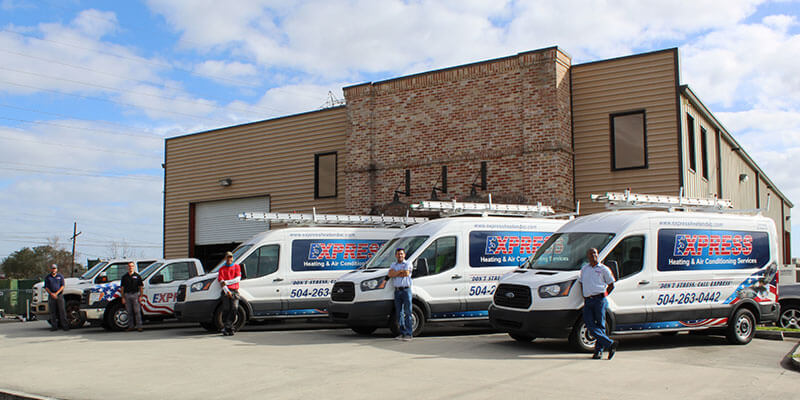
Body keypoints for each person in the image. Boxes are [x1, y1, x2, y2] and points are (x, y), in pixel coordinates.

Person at [578, 248, 617, 360]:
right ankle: (610, 344)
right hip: (588, 300)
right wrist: (584, 295)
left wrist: (603, 296)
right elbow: (581, 282)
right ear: (587, 256)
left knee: (600, 325)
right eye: (590, 254)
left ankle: (598, 352)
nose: (593, 255)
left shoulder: (604, 269)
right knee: (589, 325)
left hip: (599, 300)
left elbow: (611, 284)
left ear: (598, 255)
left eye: (595, 253)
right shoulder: (584, 269)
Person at [387, 248, 413, 341]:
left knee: (408, 312)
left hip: (406, 290)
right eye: (398, 254)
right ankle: (402, 333)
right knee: (399, 313)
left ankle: (409, 334)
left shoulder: (408, 263)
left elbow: (406, 273)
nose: (400, 255)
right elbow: (390, 274)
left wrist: (396, 273)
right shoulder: (393, 264)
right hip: (397, 291)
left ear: (404, 255)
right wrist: (400, 272)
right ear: (395, 255)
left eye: (401, 254)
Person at [218, 251, 242, 336]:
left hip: (234, 291)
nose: (229, 259)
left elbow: (237, 279)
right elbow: (221, 282)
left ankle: (227, 326)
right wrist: (227, 291)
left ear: (233, 258)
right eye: (228, 257)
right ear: (225, 258)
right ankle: (229, 328)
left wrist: (227, 282)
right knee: (226, 309)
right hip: (226, 291)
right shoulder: (221, 269)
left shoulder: (237, 267)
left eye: (231, 257)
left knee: (234, 308)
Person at [120, 261, 144, 332]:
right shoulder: (124, 277)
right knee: (129, 312)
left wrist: (141, 296)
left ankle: (139, 326)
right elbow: (122, 288)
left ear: (134, 267)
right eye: (129, 266)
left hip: (136, 295)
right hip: (127, 295)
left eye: (132, 266)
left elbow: (141, 287)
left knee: (137, 311)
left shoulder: (137, 276)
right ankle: (131, 326)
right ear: (127, 267)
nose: (131, 267)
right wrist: (123, 297)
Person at [44, 264, 68, 331]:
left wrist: (56, 293)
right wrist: (51, 294)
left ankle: (65, 326)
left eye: (54, 268)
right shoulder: (48, 277)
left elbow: (62, 286)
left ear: (56, 269)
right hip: (51, 296)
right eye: (52, 268)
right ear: (50, 269)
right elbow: (46, 287)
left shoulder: (60, 276)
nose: (53, 270)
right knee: (52, 312)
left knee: (62, 311)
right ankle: (54, 326)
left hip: (59, 295)